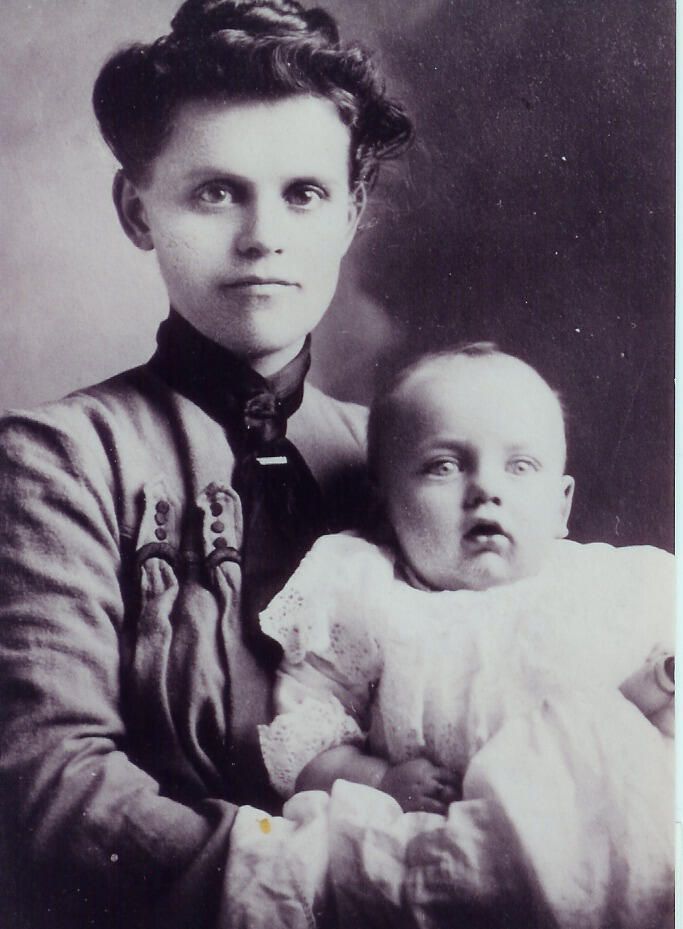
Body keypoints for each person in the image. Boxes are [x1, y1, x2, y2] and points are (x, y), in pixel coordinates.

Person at [0, 2, 412, 928]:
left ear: (350, 214)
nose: (263, 235)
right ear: (136, 210)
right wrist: (325, 887)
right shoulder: (58, 461)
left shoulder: (399, 460)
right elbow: (52, 785)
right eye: (217, 192)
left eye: (303, 193)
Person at [252, 344, 674, 928]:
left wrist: (658, 685)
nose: (485, 489)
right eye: (444, 466)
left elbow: (632, 719)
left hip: (602, 850)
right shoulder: (368, 593)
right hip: (445, 858)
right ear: (383, 505)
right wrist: (379, 780)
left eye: (520, 466)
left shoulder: (607, 586)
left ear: (561, 506)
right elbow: (305, 742)